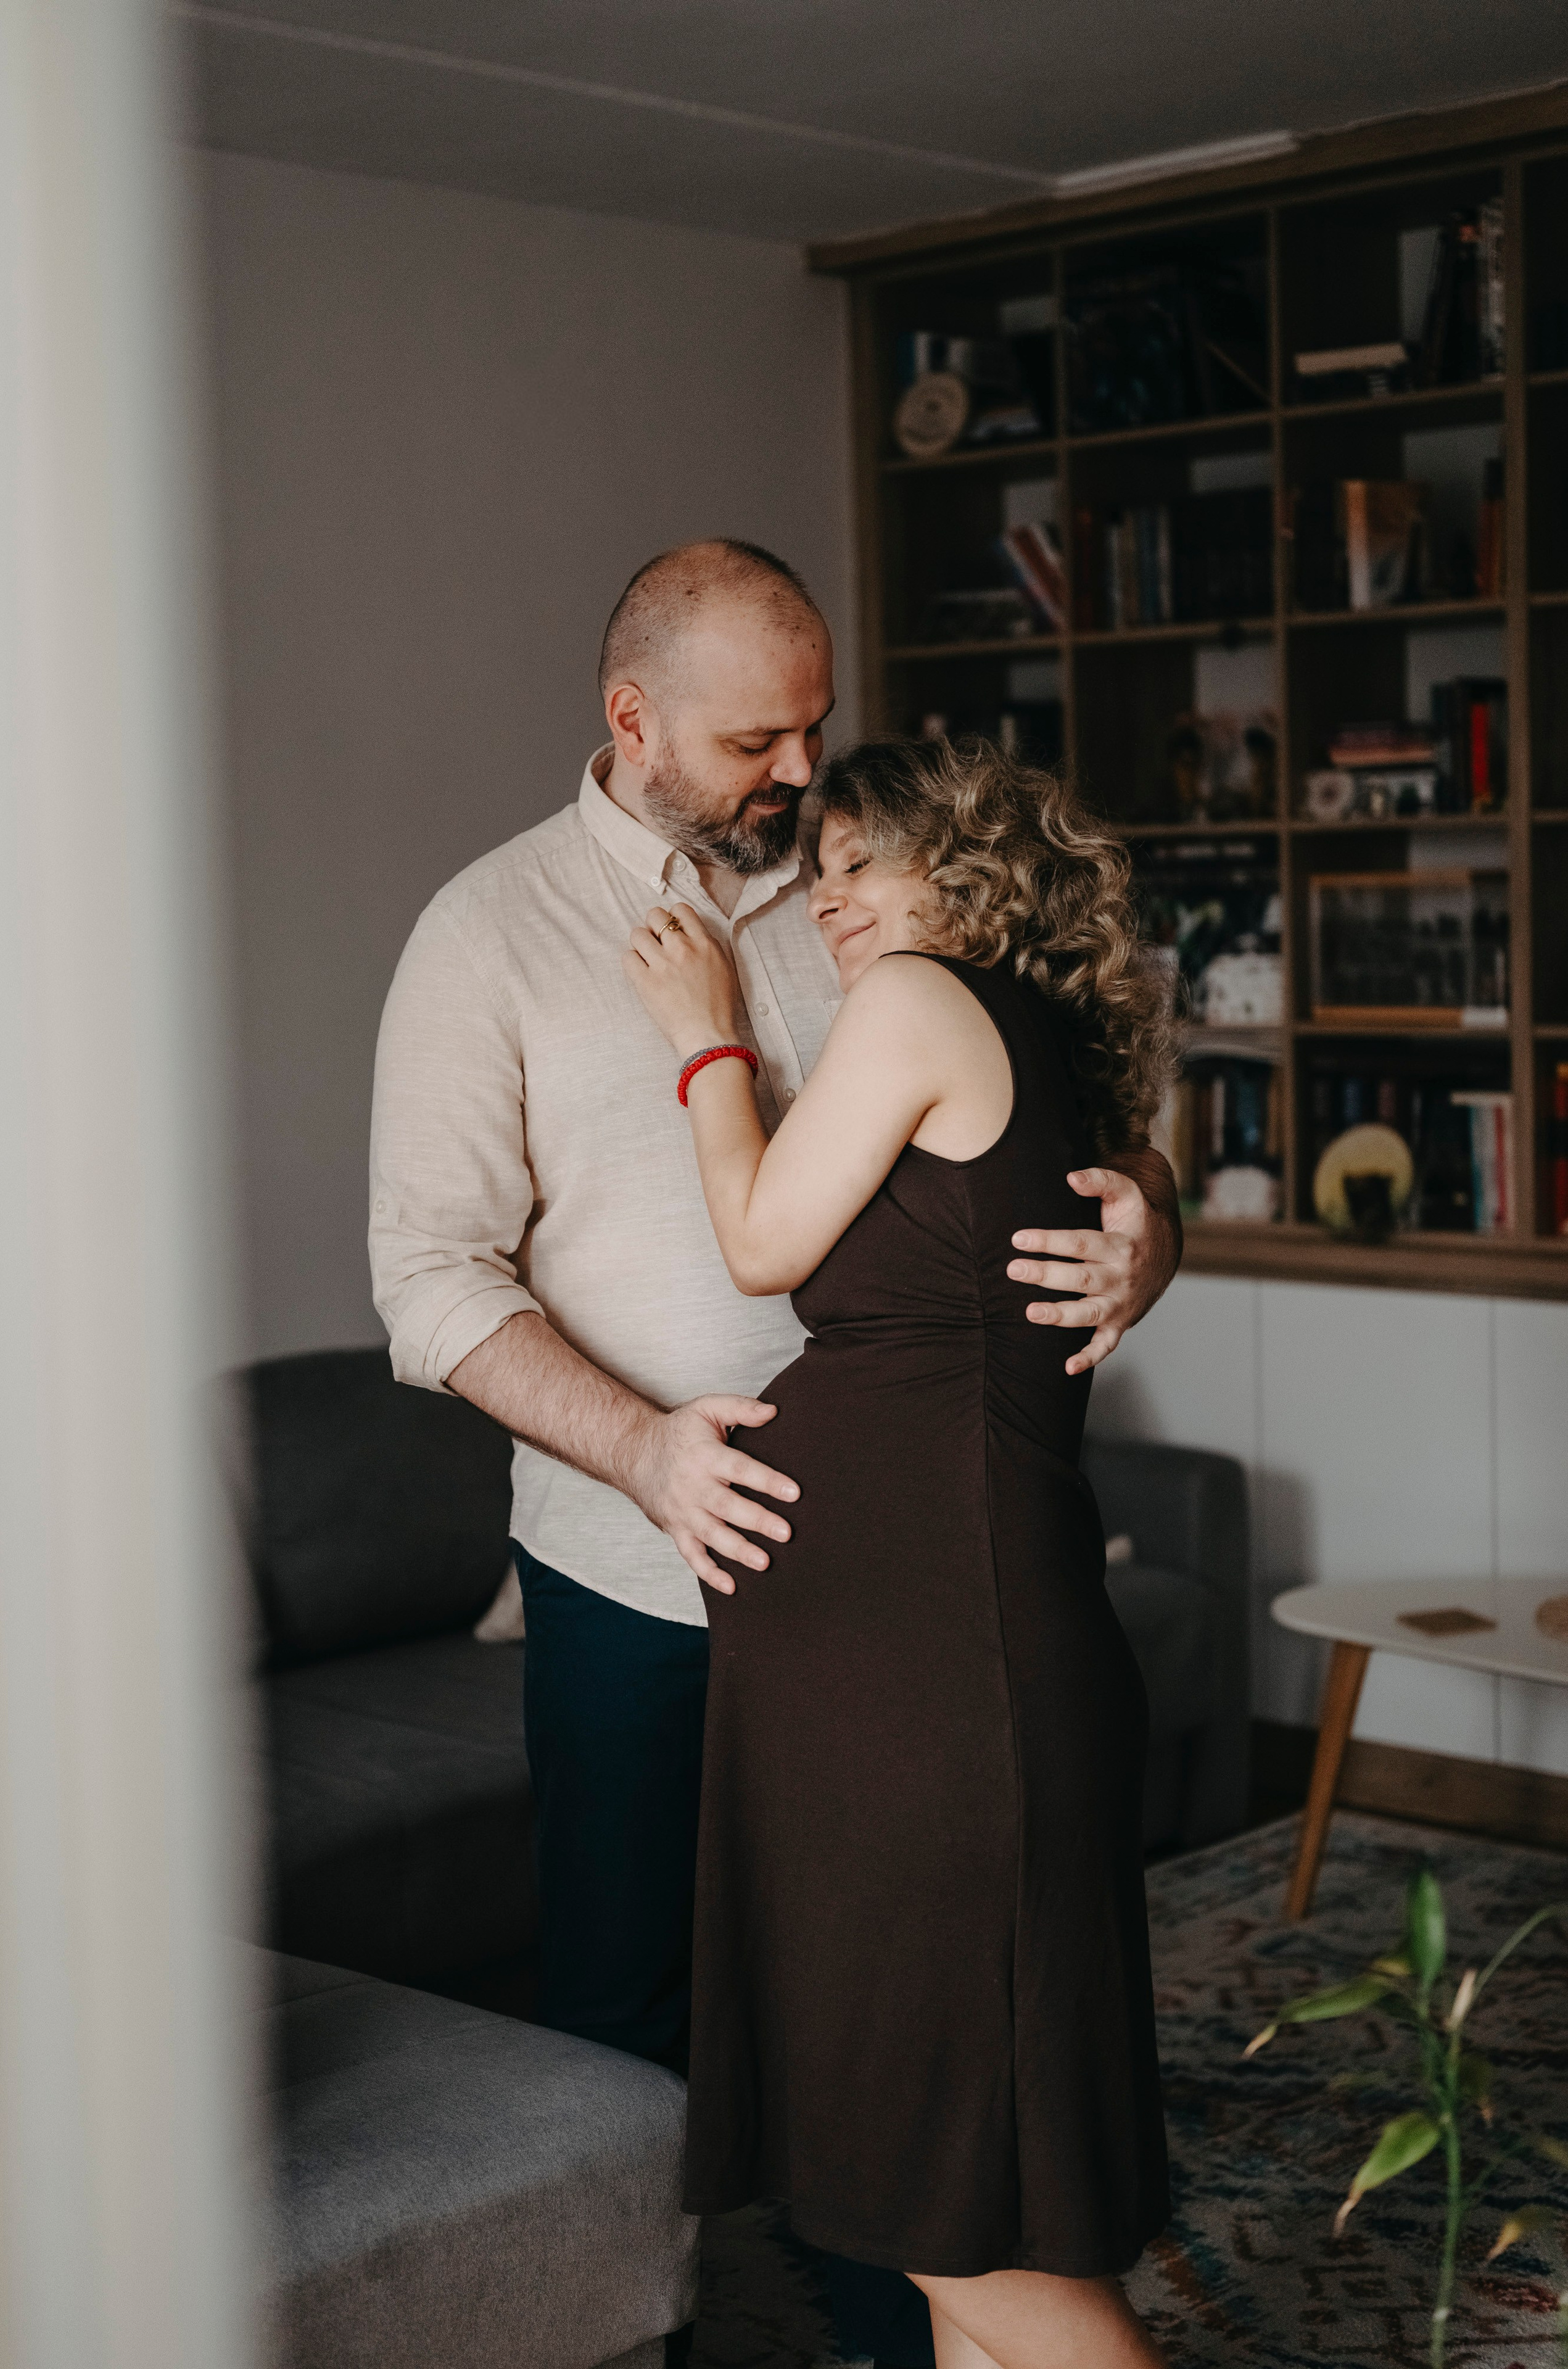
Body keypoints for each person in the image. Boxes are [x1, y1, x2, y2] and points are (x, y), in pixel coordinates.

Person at [368, 539, 1181, 2363]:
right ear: (631, 718)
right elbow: (424, 1280)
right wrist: (646, 1451)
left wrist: (1150, 1221)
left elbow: (1064, 1132)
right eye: (759, 740)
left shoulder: (878, 912)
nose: (803, 775)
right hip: (642, 1575)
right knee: (629, 2045)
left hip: (900, 1606)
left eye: (817, 732)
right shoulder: (487, 935)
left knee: (896, 2084)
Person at [622, 731, 1173, 2369]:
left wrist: (704, 1042)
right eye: (825, 870)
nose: (827, 903)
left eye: (867, 863)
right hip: (920, 1675)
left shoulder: (927, 1005)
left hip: (940, 1689)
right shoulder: (1037, 1039)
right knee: (949, 2203)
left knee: (959, 2222)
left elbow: (759, 1239)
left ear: (974, 860)